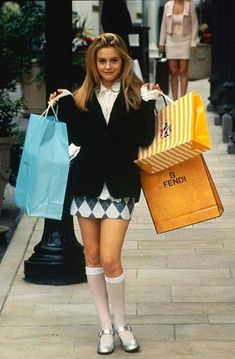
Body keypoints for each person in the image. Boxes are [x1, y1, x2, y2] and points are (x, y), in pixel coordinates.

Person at [49, 33, 159, 355]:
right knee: (92, 256)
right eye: (101, 61)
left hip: (120, 187)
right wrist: (60, 103)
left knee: (111, 259)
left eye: (113, 60)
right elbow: (68, 137)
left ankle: (122, 324)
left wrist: (149, 102)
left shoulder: (136, 95)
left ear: (123, 61)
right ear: (93, 64)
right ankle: (105, 327)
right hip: (86, 187)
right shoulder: (79, 98)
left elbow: (146, 137)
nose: (108, 66)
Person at [159, 0, 199, 100]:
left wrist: (193, 41)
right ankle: (175, 100)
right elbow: (164, 24)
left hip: (185, 41)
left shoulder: (190, 5)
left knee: (183, 71)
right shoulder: (168, 5)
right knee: (173, 71)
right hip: (171, 41)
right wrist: (161, 42)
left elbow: (195, 24)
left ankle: (183, 99)